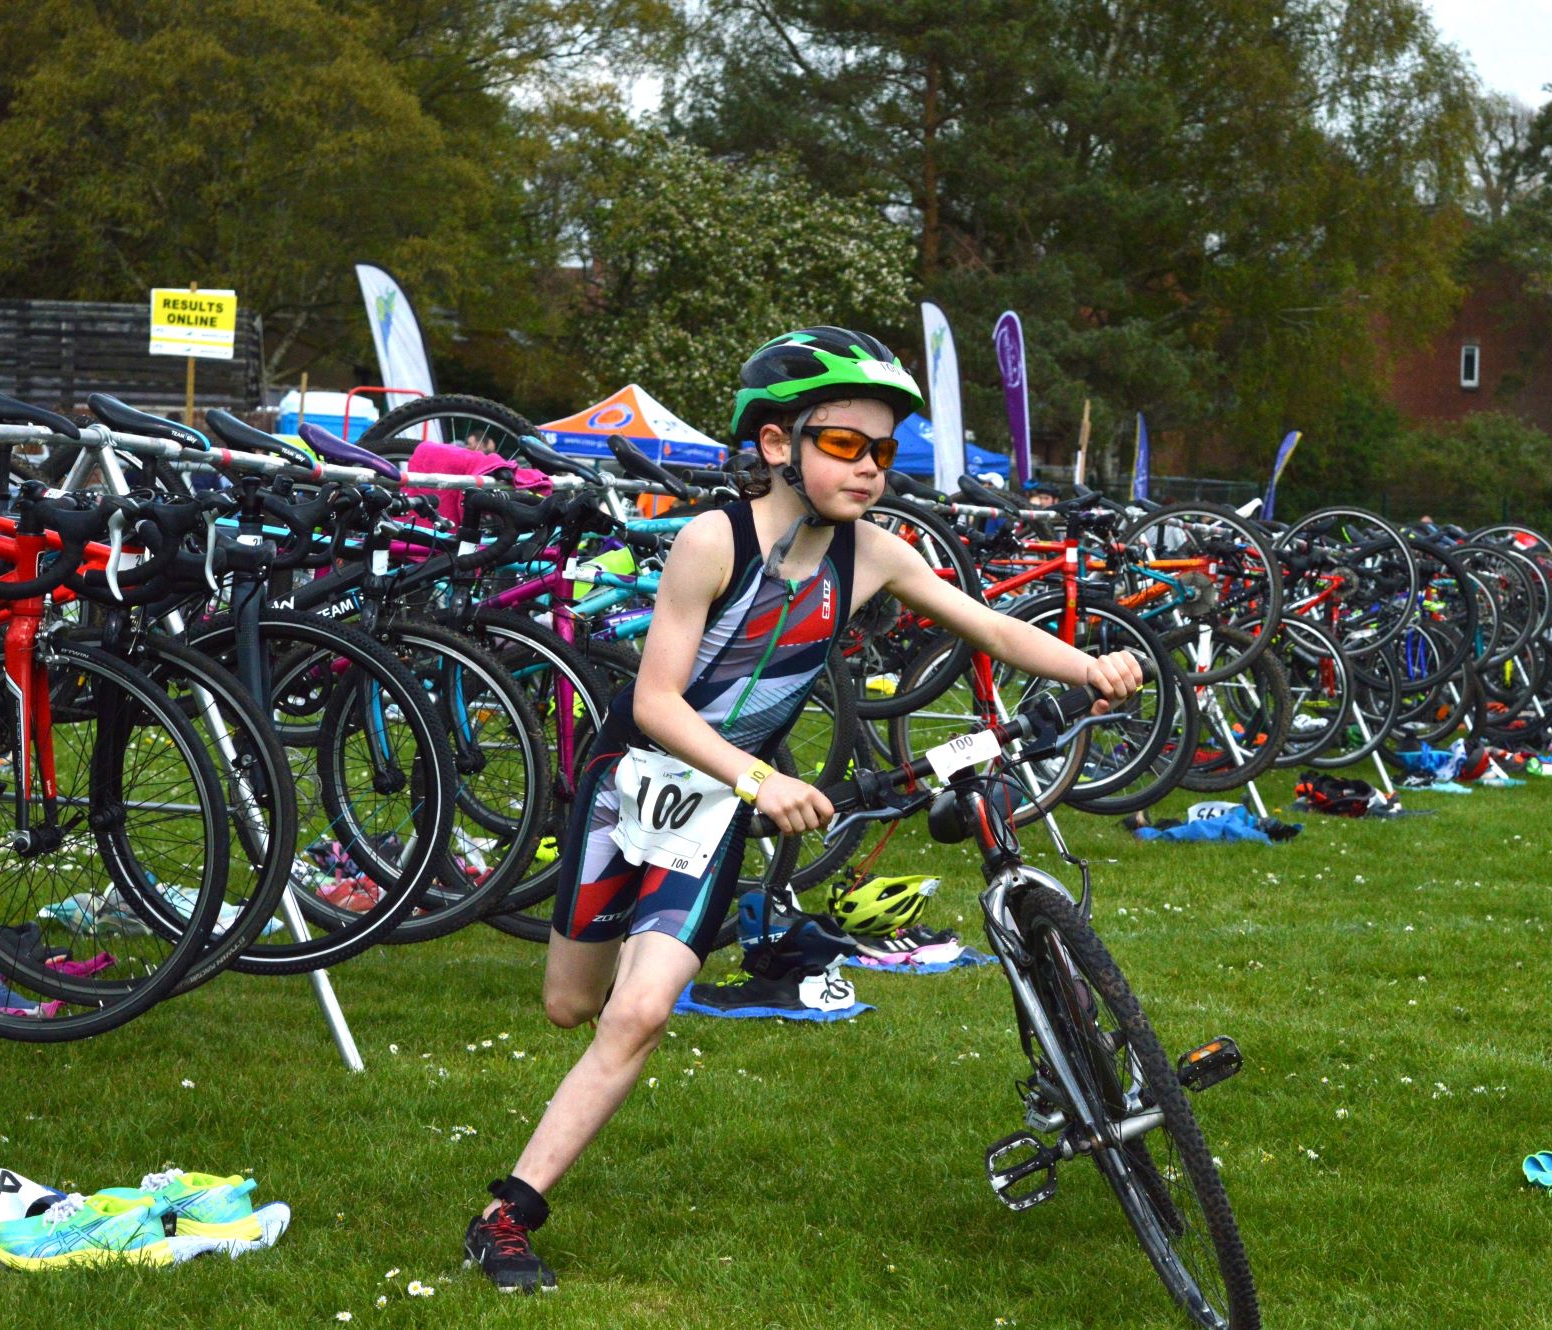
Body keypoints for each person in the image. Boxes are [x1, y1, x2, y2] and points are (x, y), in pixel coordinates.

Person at [461, 327, 1144, 1293]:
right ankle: (603, 988)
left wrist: (1093, 665)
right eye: (843, 446)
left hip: (714, 812)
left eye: (881, 452)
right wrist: (757, 777)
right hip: (634, 785)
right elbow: (656, 701)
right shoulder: (714, 539)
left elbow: (987, 623)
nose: (868, 470)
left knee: (641, 1013)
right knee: (574, 1004)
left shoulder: (875, 555)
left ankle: (507, 1214)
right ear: (778, 445)